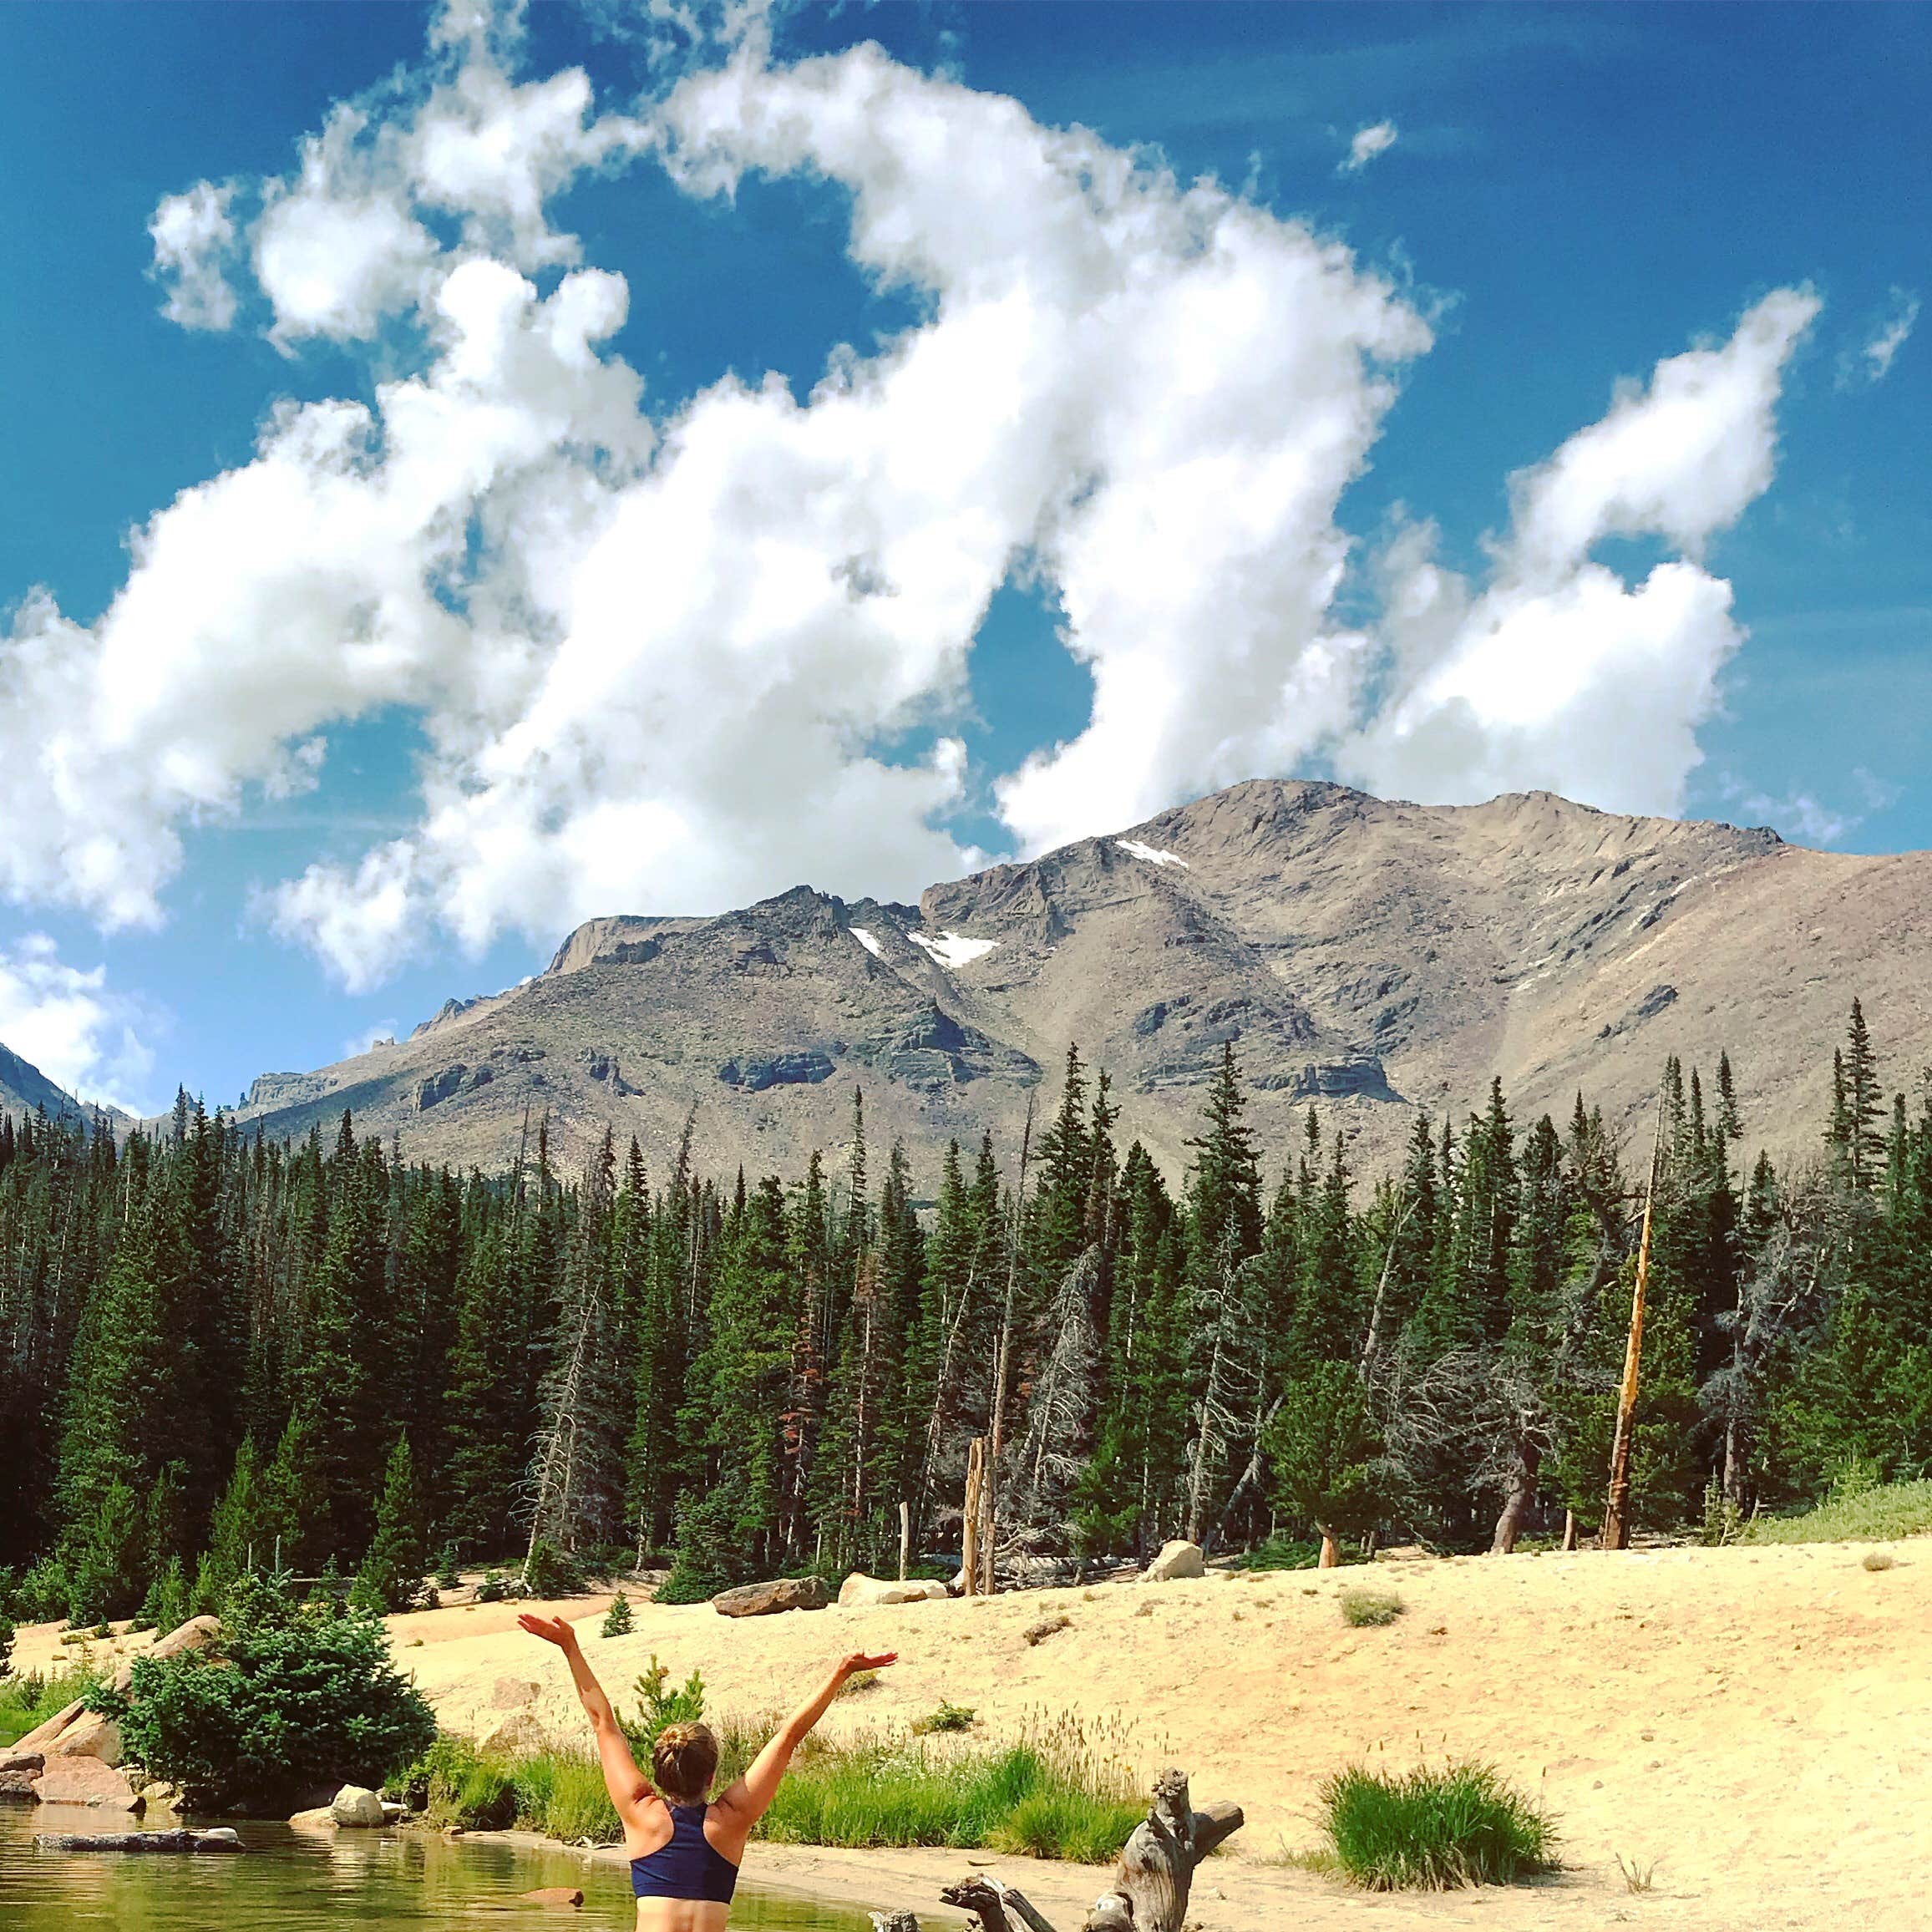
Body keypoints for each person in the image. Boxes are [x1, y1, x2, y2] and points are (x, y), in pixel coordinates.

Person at [519, 1610, 896, 1928]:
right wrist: (841, 1672)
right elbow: (789, 1736)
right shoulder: (731, 1819)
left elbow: (603, 1722)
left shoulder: (640, 1813)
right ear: (712, 1776)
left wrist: (571, 1647)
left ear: (660, 1774)